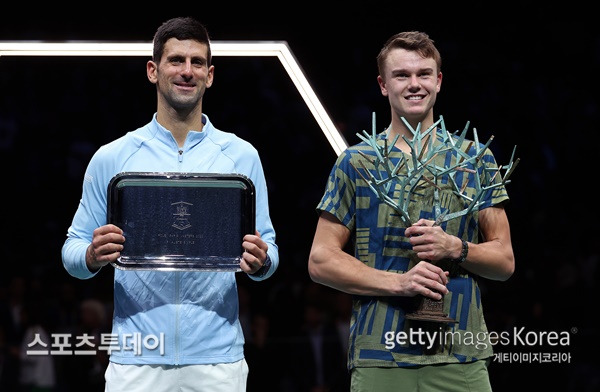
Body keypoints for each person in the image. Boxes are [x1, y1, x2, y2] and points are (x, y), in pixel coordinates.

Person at [61, 16, 278, 392]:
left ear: (210, 75)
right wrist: (93, 255)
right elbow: (72, 251)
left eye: (197, 63)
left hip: (217, 360)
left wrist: (261, 262)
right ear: (153, 70)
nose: (187, 71)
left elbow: (269, 251)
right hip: (137, 358)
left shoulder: (241, 156)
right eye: (176, 60)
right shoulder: (113, 157)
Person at [307, 31, 515, 391]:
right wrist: (399, 283)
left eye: (423, 73)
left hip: (461, 354)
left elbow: (504, 261)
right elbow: (320, 260)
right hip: (380, 356)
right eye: (402, 75)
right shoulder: (356, 163)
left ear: (438, 81)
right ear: (383, 85)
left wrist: (457, 248)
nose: (414, 84)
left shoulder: (475, 159)